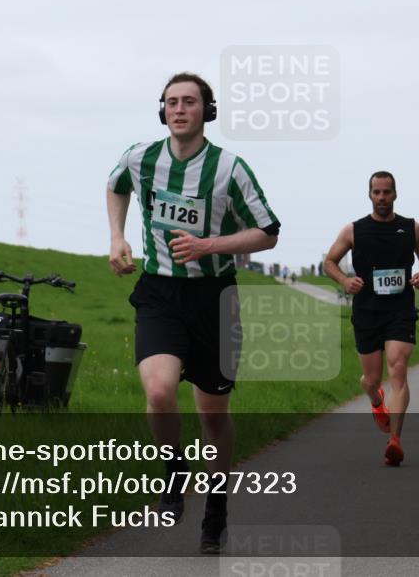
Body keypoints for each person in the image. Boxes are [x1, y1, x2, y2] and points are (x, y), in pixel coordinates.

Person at [106, 72, 279, 553]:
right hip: (160, 293)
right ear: (163, 110)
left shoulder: (229, 168)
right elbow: (116, 186)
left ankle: (216, 509)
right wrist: (118, 236)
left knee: (213, 417)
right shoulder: (140, 158)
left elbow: (268, 231)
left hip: (214, 300)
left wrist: (211, 244)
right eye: (172, 102)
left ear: (207, 110)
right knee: (159, 391)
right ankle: (172, 473)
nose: (180, 109)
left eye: (190, 102)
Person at [323, 171, 419, 466]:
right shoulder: (354, 230)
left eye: (387, 192)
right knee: (372, 380)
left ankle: (395, 440)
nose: (382, 198)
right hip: (367, 312)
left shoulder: (411, 228)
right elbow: (329, 262)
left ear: (395, 194)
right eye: (377, 192)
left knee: (398, 369)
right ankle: (375, 400)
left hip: (400, 310)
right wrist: (345, 282)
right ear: (370, 195)